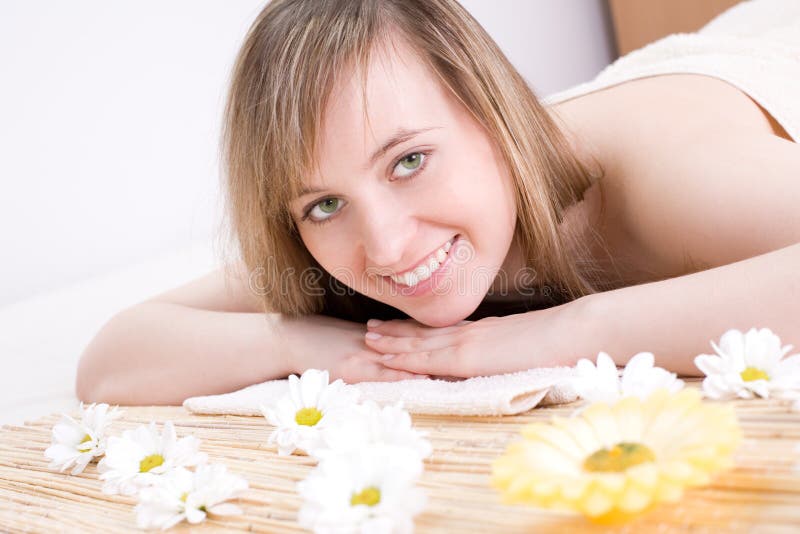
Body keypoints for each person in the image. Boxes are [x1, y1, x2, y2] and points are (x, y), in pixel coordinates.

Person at [76, 0, 800, 405]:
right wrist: (305, 343)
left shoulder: (665, 181)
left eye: (409, 162)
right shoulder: (330, 246)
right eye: (324, 204)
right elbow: (114, 357)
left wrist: (556, 332)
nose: (387, 249)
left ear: (492, 113)